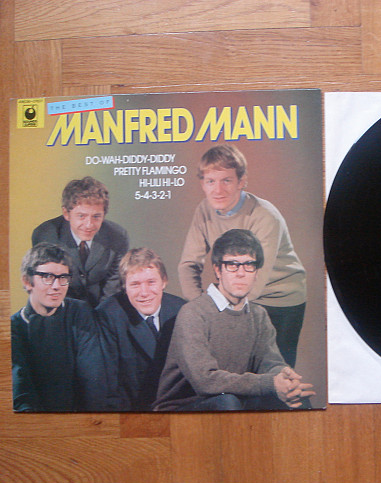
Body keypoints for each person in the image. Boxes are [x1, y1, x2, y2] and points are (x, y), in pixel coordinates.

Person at [155, 229, 315, 411]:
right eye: (232, 265)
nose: (241, 273)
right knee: (228, 402)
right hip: (182, 407)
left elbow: (271, 364)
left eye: (249, 265)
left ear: (256, 272)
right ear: (218, 269)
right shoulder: (193, 313)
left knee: (299, 400)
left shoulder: (259, 315)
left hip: (235, 400)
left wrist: (285, 380)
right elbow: (205, 381)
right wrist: (270, 383)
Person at [178, 144, 306, 366]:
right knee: (232, 371)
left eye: (226, 180)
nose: (218, 190)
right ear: (202, 184)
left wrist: (220, 314)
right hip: (235, 293)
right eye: (211, 181)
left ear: (241, 181)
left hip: (278, 299)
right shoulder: (204, 210)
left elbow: (254, 281)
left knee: (274, 374)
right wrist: (200, 308)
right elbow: (188, 264)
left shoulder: (265, 216)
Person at [11, 242, 107, 412]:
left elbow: (93, 377)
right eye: (47, 277)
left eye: (63, 278)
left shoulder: (80, 311)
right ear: (27, 282)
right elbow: (21, 388)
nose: (56, 286)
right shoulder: (14, 327)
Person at [95, 248, 185, 411]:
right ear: (124, 287)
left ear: (164, 281)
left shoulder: (181, 310)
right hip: (132, 411)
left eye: (151, 282)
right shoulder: (107, 315)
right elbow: (108, 385)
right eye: (135, 284)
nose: (144, 293)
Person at [32, 176, 129, 307]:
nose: (89, 225)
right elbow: (48, 287)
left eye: (96, 216)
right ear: (66, 213)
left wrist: (100, 316)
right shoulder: (45, 236)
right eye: (81, 216)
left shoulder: (118, 237)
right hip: (60, 307)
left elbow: (112, 287)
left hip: (100, 308)